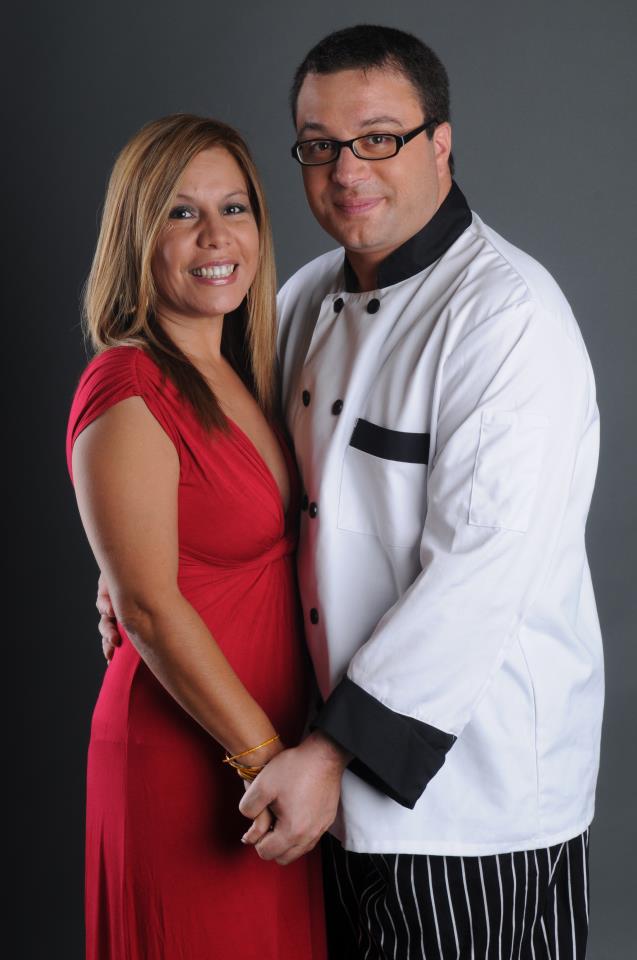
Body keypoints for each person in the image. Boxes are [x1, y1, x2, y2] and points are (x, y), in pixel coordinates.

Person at [98, 25, 604, 960]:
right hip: (313, 795)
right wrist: (129, 568)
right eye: (319, 146)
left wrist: (327, 756)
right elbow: (226, 477)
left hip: (468, 802)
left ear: (440, 144)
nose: (345, 172)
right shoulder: (296, 302)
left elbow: (478, 576)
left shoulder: (506, 316)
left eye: (377, 138)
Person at [67, 114, 327, 960]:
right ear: (137, 236)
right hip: (193, 756)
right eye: (182, 213)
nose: (216, 237)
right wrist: (263, 760)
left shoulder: (247, 369)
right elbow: (146, 604)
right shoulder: (126, 381)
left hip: (271, 756)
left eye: (234, 208)